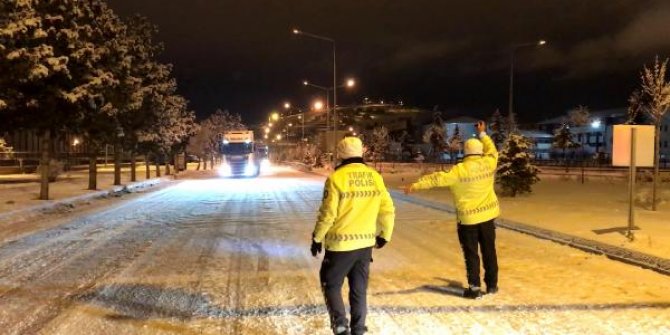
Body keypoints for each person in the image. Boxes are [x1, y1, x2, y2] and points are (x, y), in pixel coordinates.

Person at [404, 121, 499, 299]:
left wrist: (416, 185)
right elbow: (492, 150)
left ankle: (474, 288)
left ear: (466, 153)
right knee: (489, 251)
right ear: (480, 152)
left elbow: (436, 179)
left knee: (471, 254)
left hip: (468, 221)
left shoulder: (459, 171)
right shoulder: (489, 163)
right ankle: (492, 285)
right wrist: (483, 134)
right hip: (488, 218)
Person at [311, 136, 395, 335]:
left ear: (340, 155)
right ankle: (358, 329)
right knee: (358, 290)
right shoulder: (374, 177)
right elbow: (388, 208)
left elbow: (328, 214)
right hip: (365, 244)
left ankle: (341, 327)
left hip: (341, 246)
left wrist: (317, 237)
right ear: (361, 153)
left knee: (330, 283)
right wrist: (385, 234)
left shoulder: (336, 178)